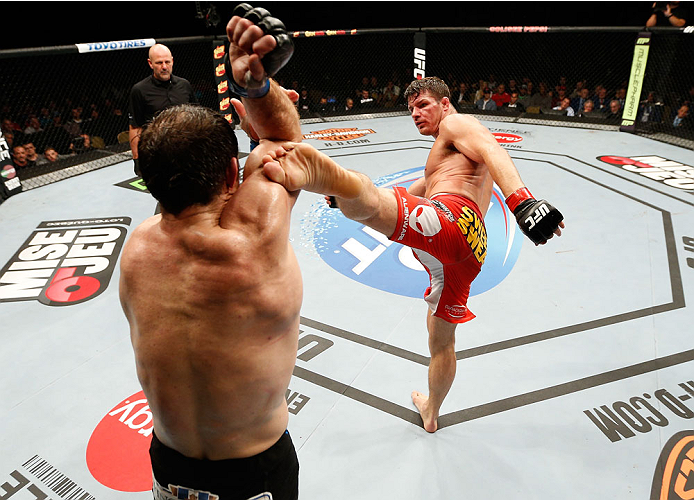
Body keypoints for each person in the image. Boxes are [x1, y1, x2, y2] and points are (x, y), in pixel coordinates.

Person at [260, 76, 565, 433]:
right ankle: (432, 412)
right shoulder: (445, 159)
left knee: (367, 201)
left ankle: (305, 162)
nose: (416, 114)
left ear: (445, 104)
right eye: (411, 109)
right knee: (441, 341)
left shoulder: (456, 124)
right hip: (469, 250)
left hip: (453, 220)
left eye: (423, 105)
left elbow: (491, 147)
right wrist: (350, 200)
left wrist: (522, 201)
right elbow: (406, 192)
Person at [119, 5, 311, 499]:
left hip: (168, 464)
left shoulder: (136, 249)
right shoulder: (254, 244)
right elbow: (289, 142)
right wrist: (255, 85)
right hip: (254, 471)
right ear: (231, 176)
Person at [128, 43, 198, 175]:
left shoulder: (184, 85)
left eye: (167, 62)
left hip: (188, 148)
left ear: (172, 61)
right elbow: (135, 127)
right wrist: (137, 159)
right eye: (159, 63)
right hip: (157, 152)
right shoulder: (139, 90)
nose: (164, 67)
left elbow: (198, 116)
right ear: (150, 63)